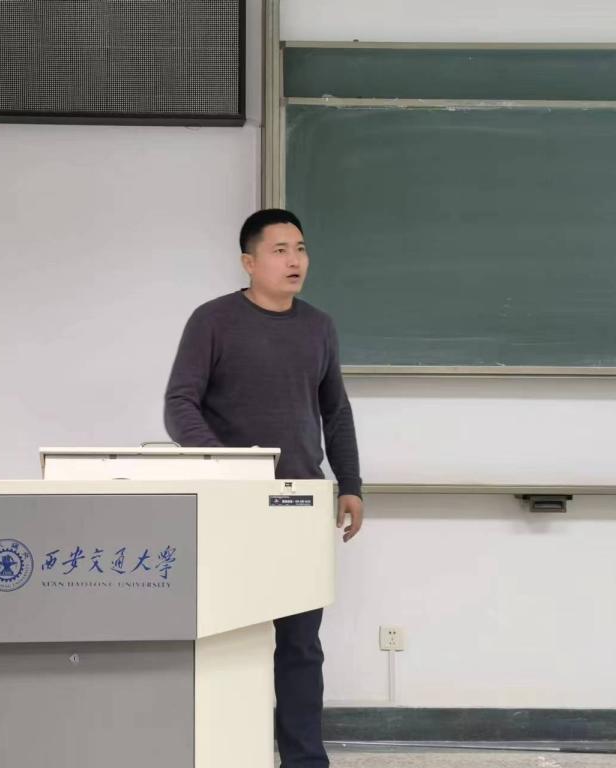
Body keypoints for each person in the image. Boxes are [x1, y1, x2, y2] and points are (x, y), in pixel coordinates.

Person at [164, 208, 363, 767]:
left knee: (300, 645)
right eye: (279, 250)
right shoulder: (213, 320)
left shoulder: (319, 326)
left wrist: (350, 483)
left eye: (300, 248)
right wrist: (228, 466)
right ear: (249, 262)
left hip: (299, 503)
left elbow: (335, 412)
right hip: (231, 505)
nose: (294, 260)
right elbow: (180, 405)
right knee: (227, 637)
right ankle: (227, 753)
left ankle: (304, 760)